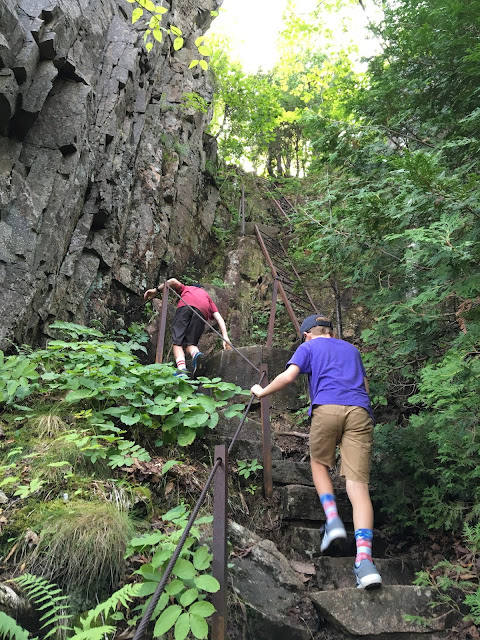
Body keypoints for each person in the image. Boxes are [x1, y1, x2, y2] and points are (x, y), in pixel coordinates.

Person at [250, 314, 382, 590]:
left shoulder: (308, 346)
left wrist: (262, 392)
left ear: (307, 334)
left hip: (327, 407)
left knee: (319, 463)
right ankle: (365, 562)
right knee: (358, 486)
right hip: (359, 410)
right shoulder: (352, 350)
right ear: (330, 331)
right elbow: (365, 386)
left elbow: (289, 376)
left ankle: (332, 519)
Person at [144, 278, 231, 376]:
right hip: (202, 311)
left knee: (177, 342)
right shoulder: (207, 297)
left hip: (185, 306)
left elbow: (173, 281)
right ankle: (197, 355)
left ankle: (182, 370)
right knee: (191, 344)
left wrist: (156, 290)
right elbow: (219, 318)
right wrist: (225, 338)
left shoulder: (187, 288)